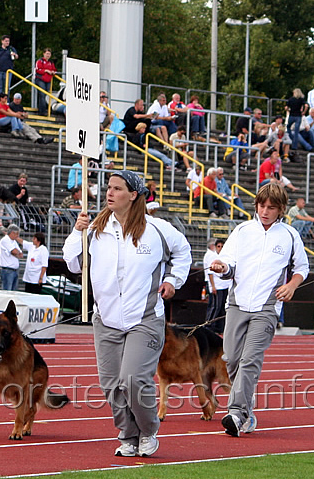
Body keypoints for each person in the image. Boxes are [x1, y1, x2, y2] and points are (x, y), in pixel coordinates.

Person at [63, 170, 191, 458]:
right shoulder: (95, 230)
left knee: (133, 379)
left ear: (133, 195)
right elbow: (73, 263)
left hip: (144, 318)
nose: (109, 193)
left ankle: (148, 429)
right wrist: (77, 231)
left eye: (117, 188)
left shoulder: (158, 229)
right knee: (111, 385)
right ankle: (127, 434)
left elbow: (183, 252)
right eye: (108, 187)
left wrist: (172, 280)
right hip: (106, 319)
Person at [209, 182, 309, 437]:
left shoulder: (289, 235)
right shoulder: (242, 230)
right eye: (262, 206)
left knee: (250, 360)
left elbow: (302, 268)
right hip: (237, 304)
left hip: (267, 307)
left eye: (271, 208)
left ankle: (235, 412)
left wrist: (292, 285)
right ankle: (247, 411)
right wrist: (222, 268)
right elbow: (229, 262)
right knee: (231, 357)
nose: (265, 211)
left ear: (281, 210)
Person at [0, 224, 23, 290]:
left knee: (13, 292)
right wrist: (15, 253)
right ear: (12, 233)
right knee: (7, 291)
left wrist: (15, 253)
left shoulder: (14, 241)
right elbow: (14, 251)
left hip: (15, 270)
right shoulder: (5, 240)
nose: (17, 236)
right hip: (8, 270)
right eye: (17, 234)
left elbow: (20, 254)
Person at [34, 48, 56, 115]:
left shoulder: (51, 62)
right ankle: (42, 111)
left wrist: (53, 72)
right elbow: (37, 70)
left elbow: (54, 69)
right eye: (47, 53)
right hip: (40, 79)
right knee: (42, 95)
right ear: (43, 54)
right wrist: (45, 70)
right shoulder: (40, 61)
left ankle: (46, 109)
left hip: (48, 80)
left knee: (47, 95)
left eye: (49, 54)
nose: (48, 55)